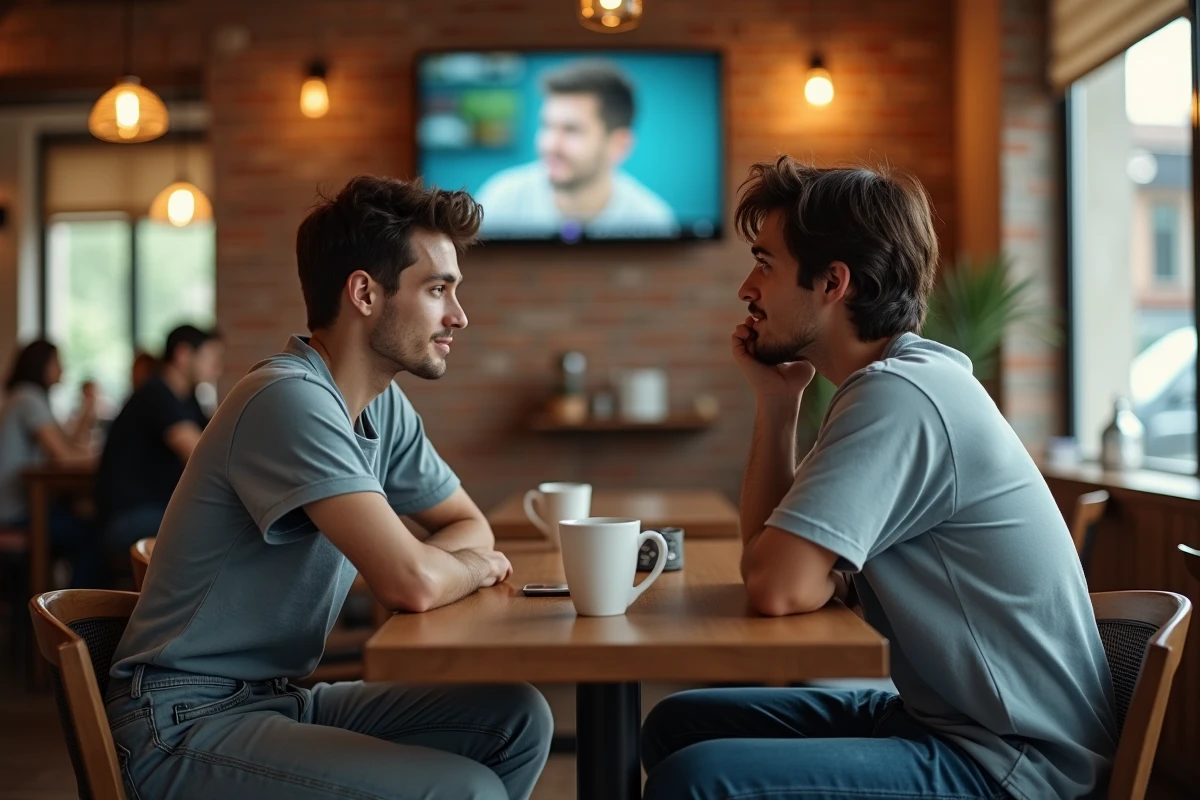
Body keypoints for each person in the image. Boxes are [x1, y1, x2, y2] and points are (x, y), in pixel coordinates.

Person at [640, 158, 1118, 800]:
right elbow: (775, 571)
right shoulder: (895, 385)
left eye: (765, 263)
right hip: (943, 720)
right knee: (678, 724)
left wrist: (806, 577)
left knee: (694, 779)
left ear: (833, 282)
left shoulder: (899, 397)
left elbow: (776, 587)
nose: (746, 288)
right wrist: (777, 403)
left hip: (1011, 762)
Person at [104, 176, 552, 800]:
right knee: (463, 789)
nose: (459, 315)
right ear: (365, 293)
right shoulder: (288, 398)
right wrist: (467, 567)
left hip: (274, 699)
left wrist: (444, 561)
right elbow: (414, 583)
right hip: (182, 723)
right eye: (437, 289)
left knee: (517, 721)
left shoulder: (381, 407)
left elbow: (469, 525)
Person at [476, 59, 678, 239]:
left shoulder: (653, 222)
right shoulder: (499, 200)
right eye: (547, 126)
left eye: (571, 130)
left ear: (619, 145)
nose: (550, 145)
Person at [95, 325, 223, 557]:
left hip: (157, 509)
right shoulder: (157, 393)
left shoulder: (188, 398)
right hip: (130, 516)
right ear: (183, 355)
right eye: (210, 357)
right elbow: (203, 454)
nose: (217, 369)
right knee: (222, 528)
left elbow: (219, 441)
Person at [0, 340, 101, 586]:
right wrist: (107, 457)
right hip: (13, 512)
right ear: (41, 365)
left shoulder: (28, 398)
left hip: (18, 506)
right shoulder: (28, 398)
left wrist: (87, 410)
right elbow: (64, 456)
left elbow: (66, 446)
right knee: (94, 535)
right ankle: (74, 616)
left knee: (82, 520)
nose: (62, 369)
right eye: (57, 362)